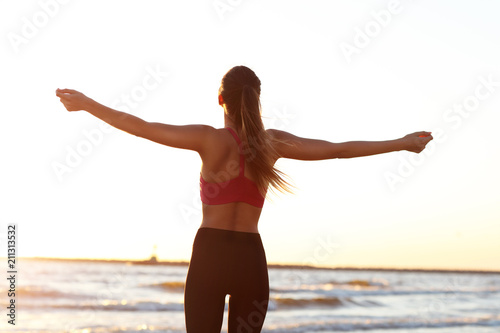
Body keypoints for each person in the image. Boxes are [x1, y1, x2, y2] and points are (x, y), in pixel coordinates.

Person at [56, 65, 433, 332]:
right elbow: (338, 150)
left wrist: (88, 103)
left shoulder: (209, 139)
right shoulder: (271, 144)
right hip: (251, 258)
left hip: (210, 255)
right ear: (257, 101)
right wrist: (401, 144)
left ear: (220, 98)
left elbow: (140, 127)